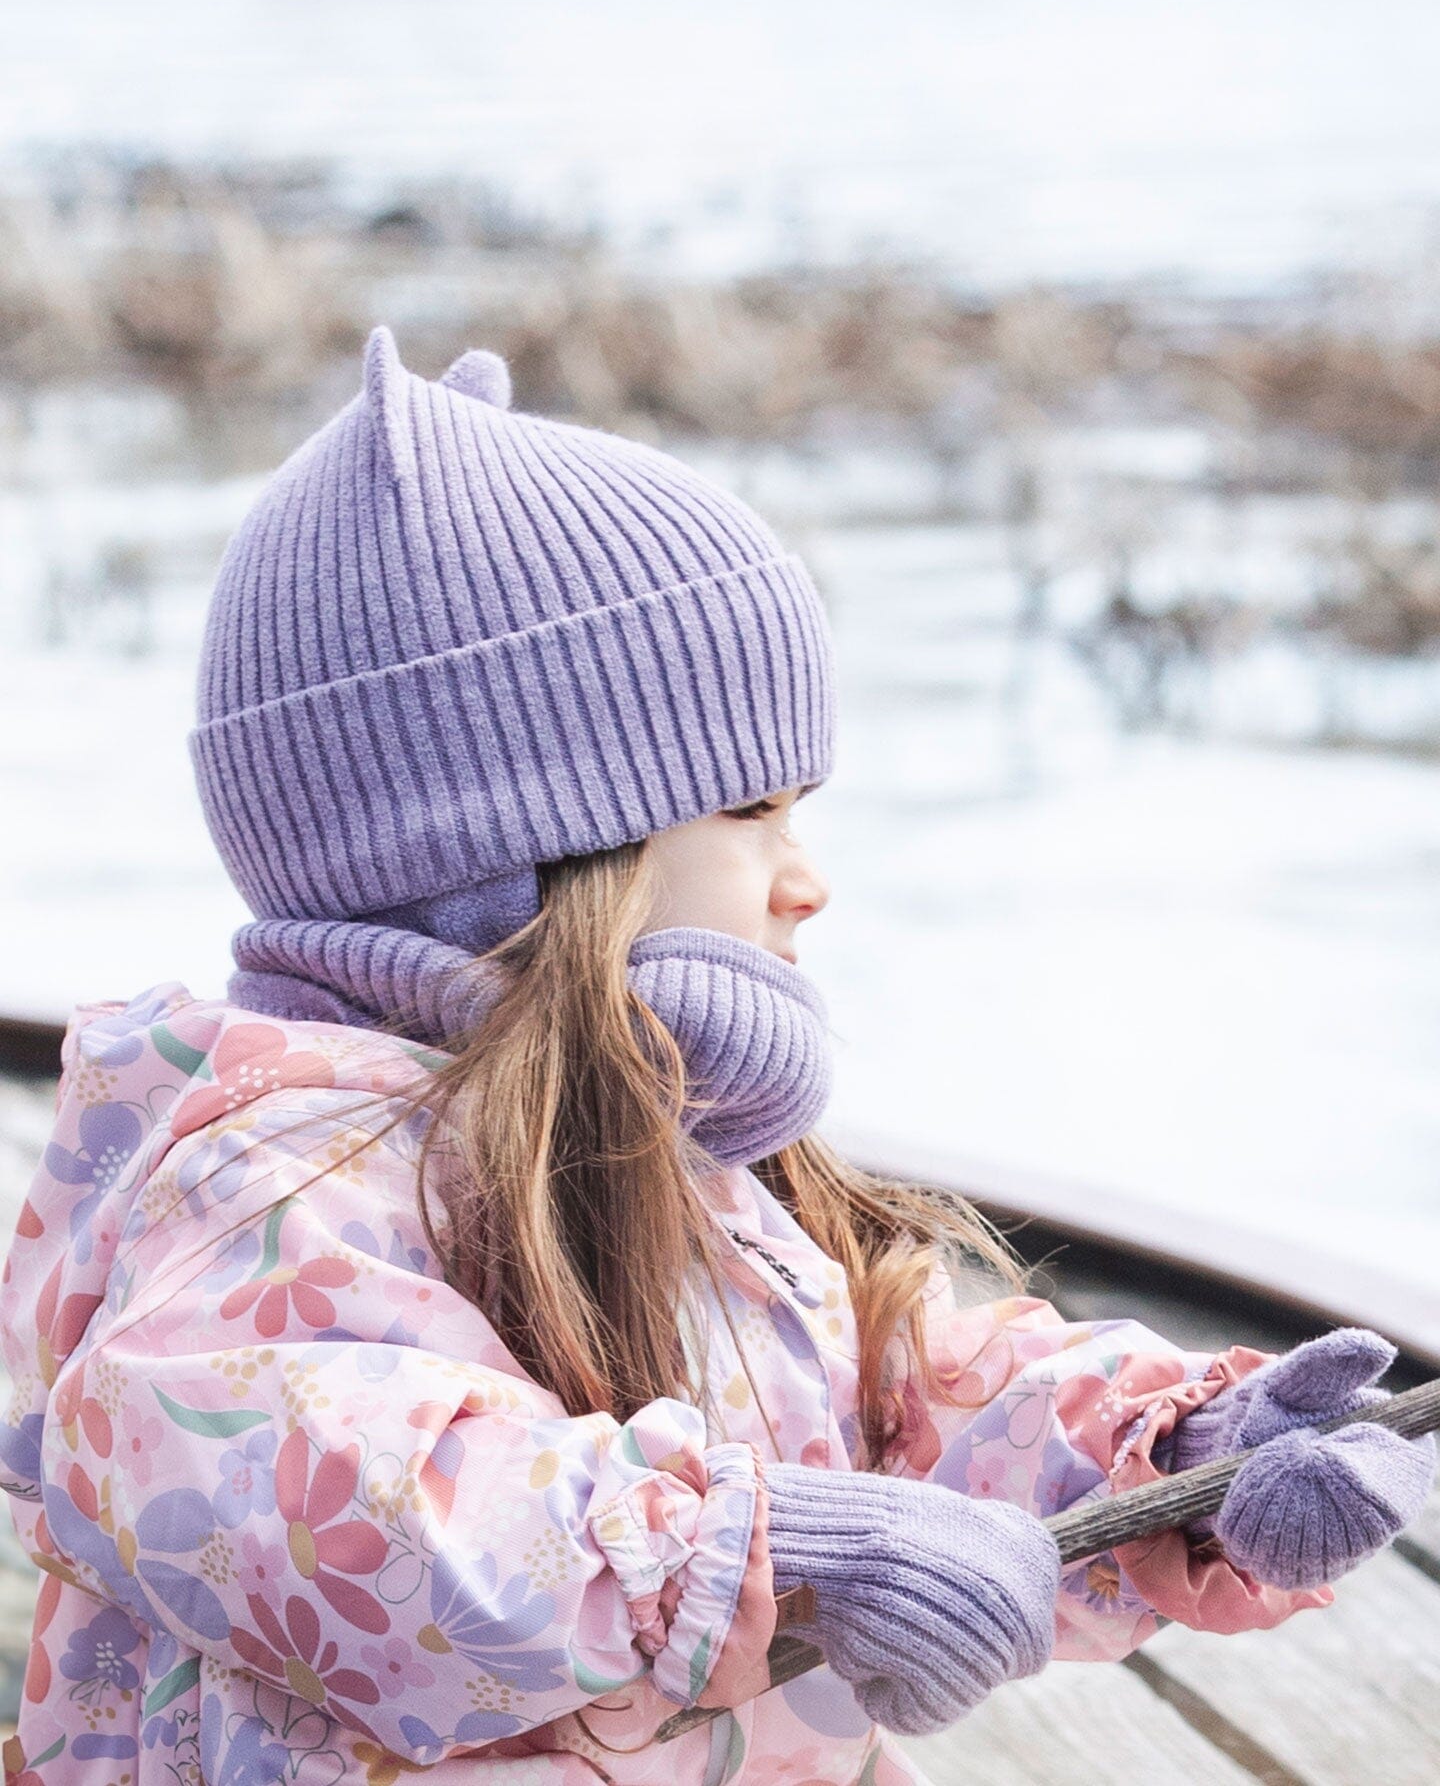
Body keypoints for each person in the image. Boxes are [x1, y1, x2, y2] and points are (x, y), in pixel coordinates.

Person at [1, 327, 1432, 1786]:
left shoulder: (660, 1147)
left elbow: (897, 1403)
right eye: (754, 812)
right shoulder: (285, 1182)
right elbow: (344, 1508)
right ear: (512, 856)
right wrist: (771, 1551)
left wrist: (1183, 1458)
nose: (805, 880)